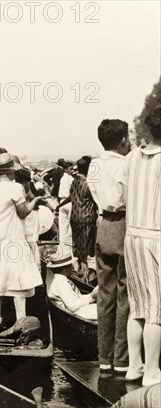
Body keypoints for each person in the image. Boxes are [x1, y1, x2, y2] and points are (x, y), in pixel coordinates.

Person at [0, 153, 45, 333]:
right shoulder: (15, 188)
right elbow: (23, 213)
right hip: (12, 239)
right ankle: (21, 324)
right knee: (18, 283)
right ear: (11, 171)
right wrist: (34, 201)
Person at [121, 106, 161, 386]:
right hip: (157, 237)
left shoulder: (132, 157)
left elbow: (123, 198)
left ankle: (135, 366)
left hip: (132, 236)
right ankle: (152, 372)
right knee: (156, 310)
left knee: (138, 306)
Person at [87, 119, 131, 377]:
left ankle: (105, 359)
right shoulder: (127, 164)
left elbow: (95, 192)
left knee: (105, 294)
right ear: (124, 139)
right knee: (125, 294)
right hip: (124, 223)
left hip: (103, 225)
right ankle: (122, 360)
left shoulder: (95, 164)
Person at [68, 156, 98, 279]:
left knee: (79, 251)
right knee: (86, 254)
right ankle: (85, 280)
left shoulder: (74, 181)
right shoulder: (88, 184)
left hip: (74, 218)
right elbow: (97, 200)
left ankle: (79, 275)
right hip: (86, 220)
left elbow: (70, 197)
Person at [46, 254, 98, 320]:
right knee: (108, 311)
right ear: (65, 268)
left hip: (76, 310)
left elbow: (75, 298)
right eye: (70, 265)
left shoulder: (61, 280)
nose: (72, 267)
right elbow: (73, 305)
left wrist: (92, 296)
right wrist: (91, 296)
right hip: (75, 314)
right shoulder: (61, 283)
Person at [56, 160, 75, 257]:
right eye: (71, 169)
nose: (72, 171)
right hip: (68, 202)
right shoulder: (71, 179)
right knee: (70, 229)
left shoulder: (62, 178)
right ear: (66, 169)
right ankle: (70, 252)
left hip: (62, 202)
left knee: (63, 228)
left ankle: (62, 251)